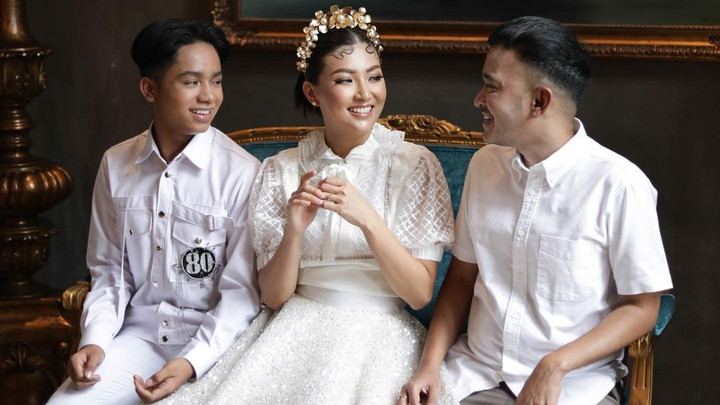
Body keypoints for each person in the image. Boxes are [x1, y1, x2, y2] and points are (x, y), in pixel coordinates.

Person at [157, 5, 457, 405]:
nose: (365, 93)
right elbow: (274, 298)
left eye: (374, 77)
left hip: (379, 337)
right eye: (345, 80)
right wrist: (293, 230)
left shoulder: (414, 165)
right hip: (292, 329)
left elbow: (419, 294)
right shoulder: (279, 170)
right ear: (312, 92)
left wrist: (368, 219)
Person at [399, 16, 673, 405]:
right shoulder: (484, 165)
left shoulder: (620, 185)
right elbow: (460, 280)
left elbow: (643, 307)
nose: (478, 99)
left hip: (574, 386)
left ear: (539, 101)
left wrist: (556, 365)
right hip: (476, 375)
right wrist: (428, 367)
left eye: (491, 86)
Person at [47, 19, 261, 404]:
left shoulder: (242, 173)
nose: (208, 96)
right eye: (191, 82)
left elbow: (241, 292)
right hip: (138, 339)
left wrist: (191, 361)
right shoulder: (116, 164)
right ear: (150, 88)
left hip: (212, 346)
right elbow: (109, 272)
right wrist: (95, 341)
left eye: (216, 81)